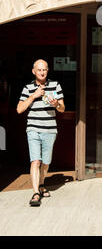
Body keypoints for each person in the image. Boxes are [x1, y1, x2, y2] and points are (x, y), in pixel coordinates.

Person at [16, 59, 65, 206]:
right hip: (33, 128)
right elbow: (19, 109)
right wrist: (33, 96)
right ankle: (36, 192)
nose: (42, 72)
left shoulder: (55, 85)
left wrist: (56, 103)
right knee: (35, 161)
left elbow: (62, 108)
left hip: (50, 129)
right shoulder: (28, 88)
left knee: (45, 162)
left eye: (44, 69)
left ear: (47, 70)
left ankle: (42, 184)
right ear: (34, 71)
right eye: (39, 70)